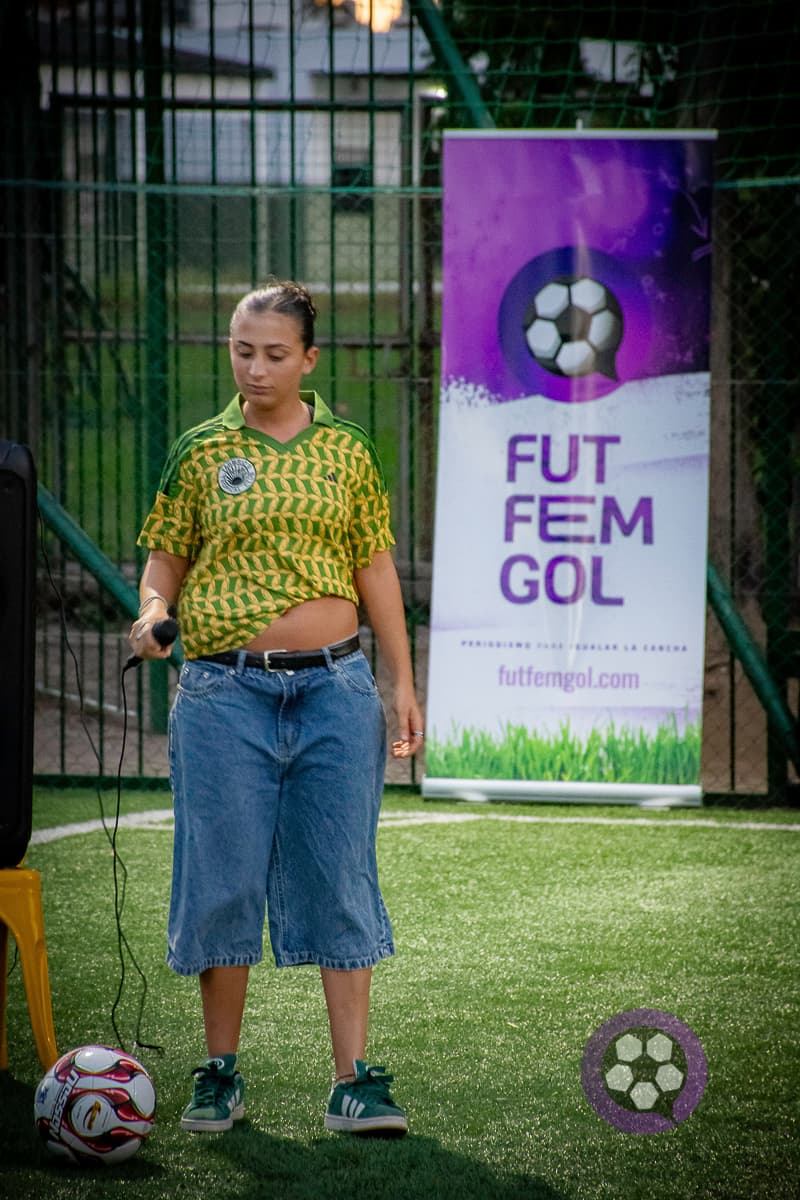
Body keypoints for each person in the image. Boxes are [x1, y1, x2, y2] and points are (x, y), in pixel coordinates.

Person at [128, 280, 423, 1137]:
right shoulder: (200, 450)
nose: (255, 368)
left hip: (337, 690)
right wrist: (152, 615)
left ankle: (354, 1083)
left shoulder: (349, 452)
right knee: (220, 881)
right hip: (223, 697)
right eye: (241, 351)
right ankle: (219, 1075)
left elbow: (376, 572)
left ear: (310, 359)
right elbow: (164, 563)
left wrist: (402, 683)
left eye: (273, 353)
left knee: (339, 874)